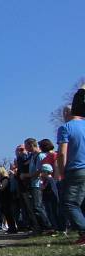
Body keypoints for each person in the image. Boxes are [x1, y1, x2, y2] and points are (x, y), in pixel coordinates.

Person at [56, 85, 85, 246]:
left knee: (69, 203)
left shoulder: (65, 128)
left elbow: (62, 153)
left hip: (76, 169)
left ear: (67, 113)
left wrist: (61, 171)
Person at [21, 138, 54, 235]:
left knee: (38, 206)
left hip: (38, 184)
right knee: (35, 207)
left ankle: (48, 227)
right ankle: (40, 227)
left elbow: (40, 171)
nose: (25, 148)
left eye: (26, 145)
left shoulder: (40, 156)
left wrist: (26, 175)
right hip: (33, 184)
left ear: (31, 145)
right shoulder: (33, 156)